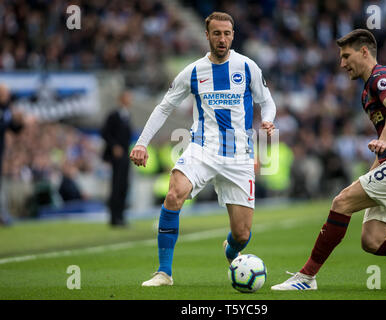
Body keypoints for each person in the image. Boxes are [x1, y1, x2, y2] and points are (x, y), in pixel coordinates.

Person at [271, 29, 386, 291]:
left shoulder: (381, 77)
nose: (342, 64)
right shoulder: (367, 91)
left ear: (364, 51)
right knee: (372, 241)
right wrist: (373, 167)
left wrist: (385, 141)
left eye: (346, 56)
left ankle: (307, 277)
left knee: (341, 202)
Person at [129, 12, 276, 287]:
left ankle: (231, 250)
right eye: (217, 33)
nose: (222, 39)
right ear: (207, 35)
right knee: (174, 194)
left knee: (242, 234)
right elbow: (165, 107)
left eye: (227, 33)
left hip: (239, 156)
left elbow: (267, 101)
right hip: (202, 148)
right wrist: (141, 142)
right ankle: (164, 272)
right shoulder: (193, 71)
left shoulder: (247, 67)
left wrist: (268, 119)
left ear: (233, 35)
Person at [101, 90, 133, 227]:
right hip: (116, 156)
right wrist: (114, 146)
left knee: (124, 185)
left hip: (125, 155)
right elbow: (104, 132)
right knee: (116, 185)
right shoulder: (114, 115)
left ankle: (121, 216)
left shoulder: (127, 115)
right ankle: (114, 217)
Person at [0, 84, 24, 226]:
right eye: (4, 93)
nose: (7, 96)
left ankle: (3, 215)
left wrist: (19, 122)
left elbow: (14, 129)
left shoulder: (6, 109)